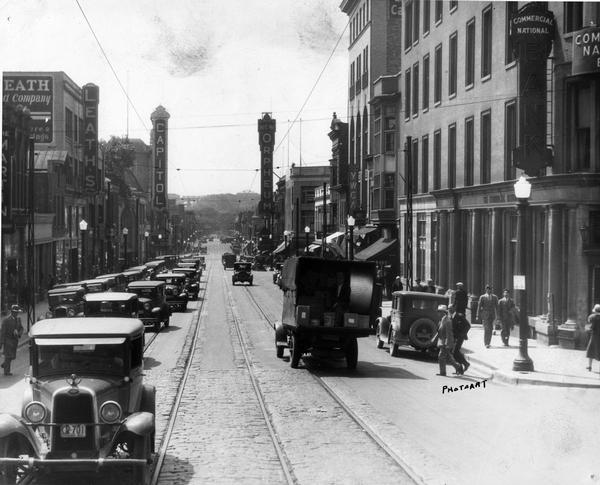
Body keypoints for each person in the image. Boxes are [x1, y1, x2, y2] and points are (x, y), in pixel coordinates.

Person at [436, 304, 463, 376]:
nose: (438, 313)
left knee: (441, 356)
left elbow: (449, 333)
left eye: (440, 311)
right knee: (448, 357)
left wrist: (448, 344)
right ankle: (458, 367)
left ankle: (443, 372)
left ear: (444, 312)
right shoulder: (442, 320)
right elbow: (439, 331)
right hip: (442, 341)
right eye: (438, 311)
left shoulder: (447, 321)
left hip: (446, 342)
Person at [0, 305, 24, 376]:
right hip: (7, 341)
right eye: (15, 312)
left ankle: (5, 364)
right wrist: (1, 343)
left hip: (15, 341)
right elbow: (2, 332)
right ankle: (6, 372)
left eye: (17, 312)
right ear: (12, 312)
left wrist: (18, 333)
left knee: (12, 356)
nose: (16, 314)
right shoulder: (6, 320)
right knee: (8, 356)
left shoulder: (18, 319)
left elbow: (21, 328)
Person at [450, 304, 471, 373]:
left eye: (451, 308)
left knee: (455, 351)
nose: (450, 309)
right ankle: (461, 367)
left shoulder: (460, 316)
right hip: (454, 337)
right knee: (454, 352)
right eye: (449, 308)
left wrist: (462, 334)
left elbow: (468, 325)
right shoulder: (450, 317)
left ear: (454, 308)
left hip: (460, 337)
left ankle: (464, 365)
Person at [586, 304, 600, 373]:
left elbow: (588, 326)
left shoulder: (591, 317)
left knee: (591, 351)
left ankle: (590, 366)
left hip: (594, 336)